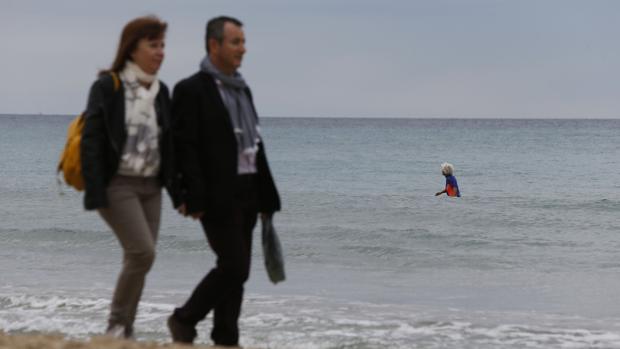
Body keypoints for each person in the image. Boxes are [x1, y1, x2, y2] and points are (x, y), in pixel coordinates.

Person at [166, 16, 281, 347]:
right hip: (216, 193)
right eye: (236, 42)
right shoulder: (191, 89)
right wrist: (185, 194)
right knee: (234, 266)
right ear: (214, 45)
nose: (243, 49)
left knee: (237, 269)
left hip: (248, 188)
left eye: (243, 42)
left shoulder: (242, 88)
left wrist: (267, 196)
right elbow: (182, 146)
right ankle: (184, 319)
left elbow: (254, 145)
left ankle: (226, 338)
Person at [80, 16, 179, 339]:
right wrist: (95, 191)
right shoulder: (109, 86)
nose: (161, 52)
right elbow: (92, 141)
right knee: (142, 253)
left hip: (151, 186)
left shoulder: (162, 91)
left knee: (140, 258)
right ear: (132, 47)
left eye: (163, 45)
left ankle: (126, 329)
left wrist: (181, 191)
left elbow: (170, 144)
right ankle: (116, 324)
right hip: (117, 184)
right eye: (153, 45)